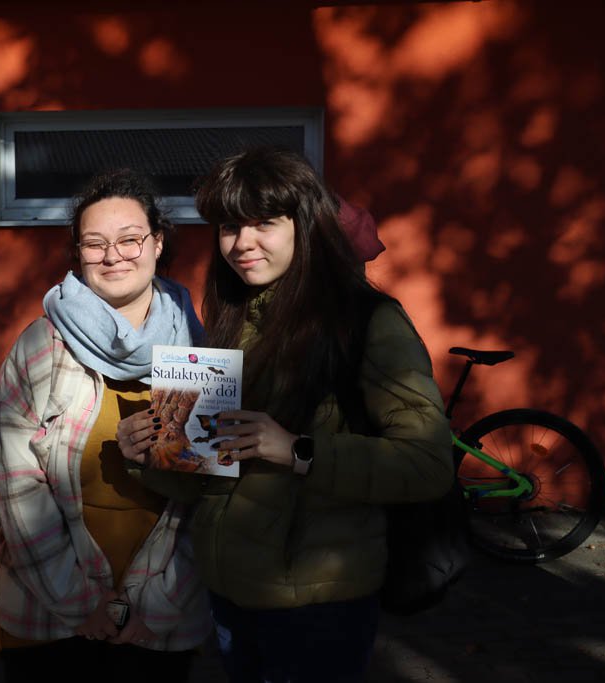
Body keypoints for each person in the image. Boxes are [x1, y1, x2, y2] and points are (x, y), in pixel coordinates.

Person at [117, 147, 452, 682]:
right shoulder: (233, 319)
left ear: (306, 225)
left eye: (264, 223)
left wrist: (297, 450)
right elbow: (209, 474)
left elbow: (427, 465)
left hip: (318, 608)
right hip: (230, 596)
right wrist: (151, 451)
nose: (242, 243)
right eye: (230, 226)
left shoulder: (367, 321)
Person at [0, 169, 212, 683]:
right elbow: (18, 488)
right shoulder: (41, 347)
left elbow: (208, 498)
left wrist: (156, 606)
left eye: (130, 239)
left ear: (157, 242)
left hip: (160, 620)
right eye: (95, 243)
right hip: (49, 619)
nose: (113, 256)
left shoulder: (197, 348)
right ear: (78, 253)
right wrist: (81, 603)